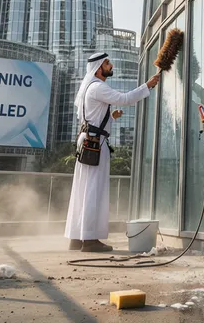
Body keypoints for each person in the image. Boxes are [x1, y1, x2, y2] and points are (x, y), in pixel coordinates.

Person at [65, 53, 160, 252]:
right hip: (95, 143)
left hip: (87, 140)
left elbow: (93, 118)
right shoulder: (99, 87)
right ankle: (90, 240)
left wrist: (112, 118)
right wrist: (148, 85)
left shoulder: (88, 89)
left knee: (83, 190)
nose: (111, 65)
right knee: (93, 190)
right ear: (99, 67)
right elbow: (124, 99)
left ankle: (77, 237)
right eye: (107, 63)